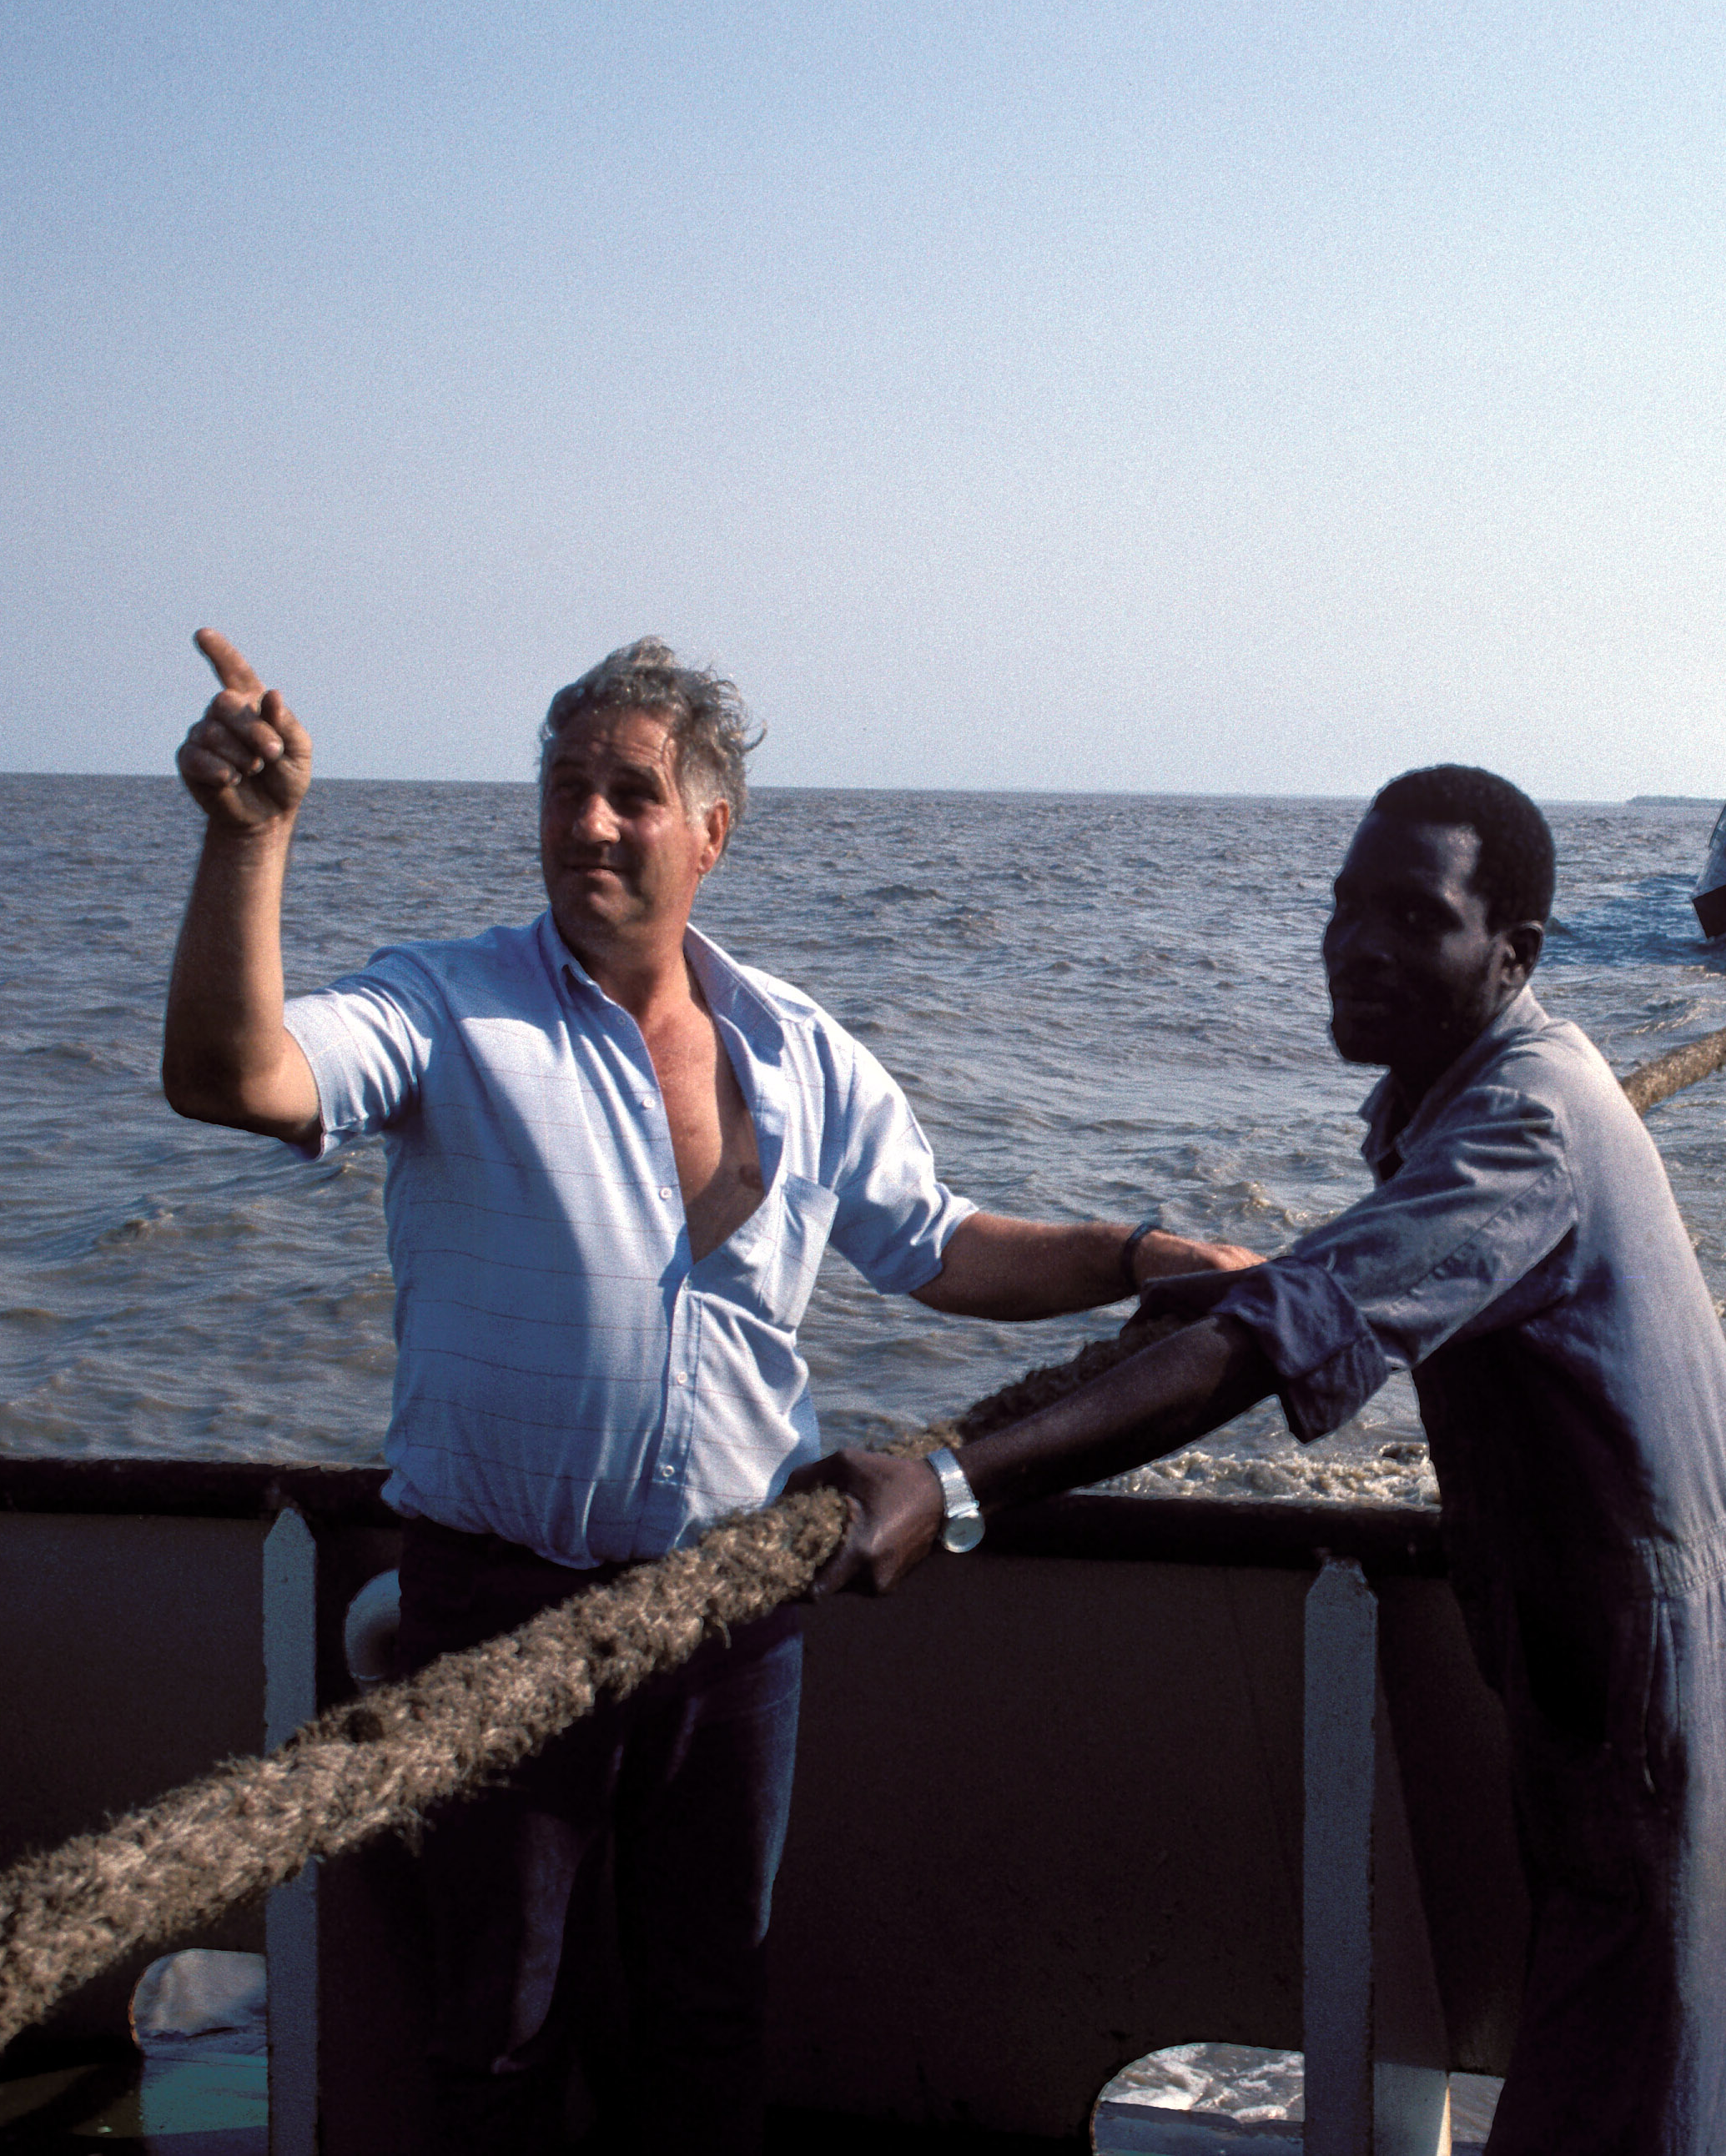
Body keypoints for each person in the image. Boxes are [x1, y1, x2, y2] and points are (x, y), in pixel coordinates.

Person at [160, 627, 1253, 2155]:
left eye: (631, 792)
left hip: (738, 1615)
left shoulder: (796, 1051)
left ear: (713, 833)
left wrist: (1144, 1256)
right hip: (497, 1607)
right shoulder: (447, 1009)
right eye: (565, 788)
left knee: (706, 2014)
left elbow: (936, 1243)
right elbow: (240, 1075)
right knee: (504, 2031)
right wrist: (251, 840)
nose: (589, 823)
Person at [803, 765, 1726, 2156]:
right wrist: (1202, 1282)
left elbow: (1276, 1343)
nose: (1359, 944)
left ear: (1512, 955)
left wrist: (957, 1480)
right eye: (1349, 905)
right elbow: (1328, 1290)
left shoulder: (1527, 1118)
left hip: (1682, 1687)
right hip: (1615, 1674)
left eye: (1417, 916)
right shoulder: (1460, 1095)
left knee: (1619, 2122)